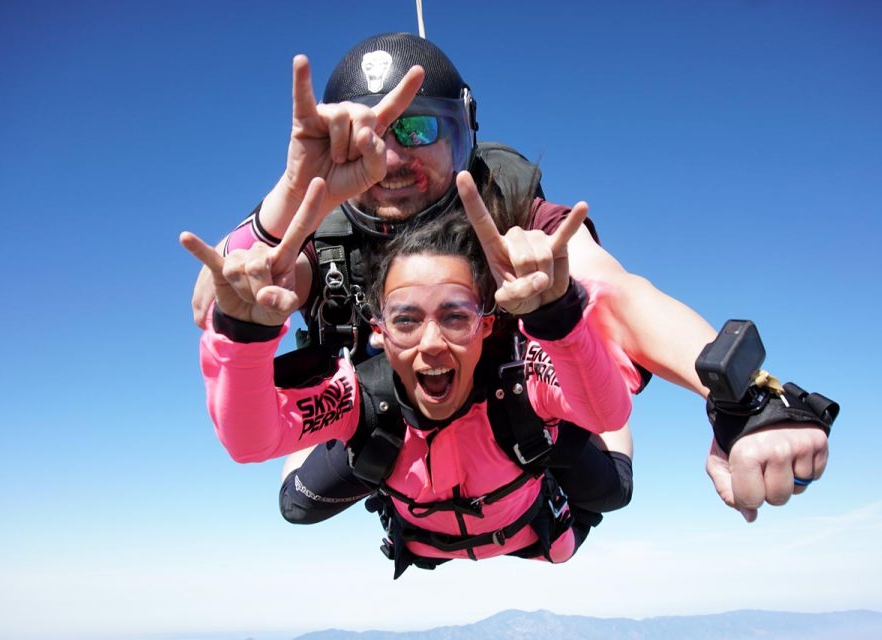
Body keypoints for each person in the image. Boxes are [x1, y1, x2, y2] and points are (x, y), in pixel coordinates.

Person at [190, 32, 832, 522]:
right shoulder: (313, 221)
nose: (392, 157)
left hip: (524, 393)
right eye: (366, 137)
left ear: (463, 131)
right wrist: (291, 199)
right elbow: (223, 293)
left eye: (417, 128)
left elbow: (617, 292)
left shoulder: (509, 203)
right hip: (395, 411)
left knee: (603, 472)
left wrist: (742, 398)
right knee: (297, 497)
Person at [182, 176, 635, 578]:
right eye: (406, 320)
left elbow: (606, 411)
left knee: (614, 490)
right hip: (420, 526)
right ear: (378, 333)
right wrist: (244, 338)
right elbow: (250, 441)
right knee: (296, 505)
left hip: (535, 524)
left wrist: (557, 320)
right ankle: (334, 442)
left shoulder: (519, 385)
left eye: (456, 317)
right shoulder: (362, 398)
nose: (432, 342)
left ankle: (567, 419)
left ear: (487, 324)